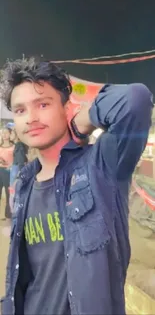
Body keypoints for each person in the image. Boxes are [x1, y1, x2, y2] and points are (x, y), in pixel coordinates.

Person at [0, 58, 153, 315]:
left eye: (43, 104)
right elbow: (21, 274)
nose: (31, 118)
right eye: (20, 110)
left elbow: (135, 100)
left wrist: (81, 121)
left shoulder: (102, 165)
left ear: (66, 108)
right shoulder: (25, 181)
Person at [0, 127, 14, 220]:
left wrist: (11, 165)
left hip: (9, 172)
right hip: (0, 170)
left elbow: (17, 159)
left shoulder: (14, 146)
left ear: (10, 134)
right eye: (2, 133)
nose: (4, 135)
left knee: (9, 194)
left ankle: (8, 214)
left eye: (6, 133)